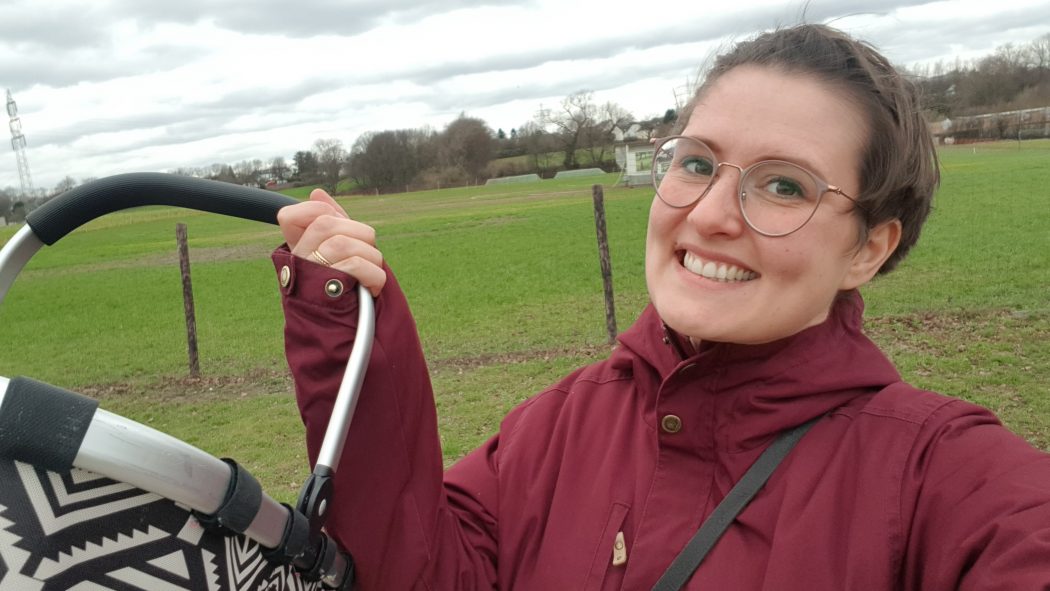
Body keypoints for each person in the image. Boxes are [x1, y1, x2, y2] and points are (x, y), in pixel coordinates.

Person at [272, 24, 1050, 590]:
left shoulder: (936, 473)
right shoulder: (558, 427)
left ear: (868, 249)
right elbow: (423, 569)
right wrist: (355, 342)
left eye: (784, 184)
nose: (710, 213)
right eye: (698, 162)